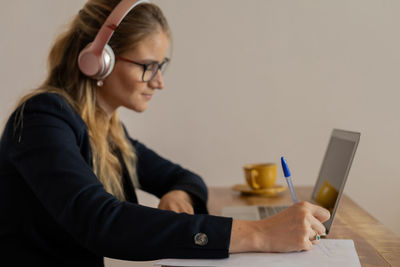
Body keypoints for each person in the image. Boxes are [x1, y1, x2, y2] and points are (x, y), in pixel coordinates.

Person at [0, 0, 330, 266]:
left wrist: (179, 195)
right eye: (148, 66)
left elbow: (185, 177)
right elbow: (100, 222)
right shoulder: (41, 120)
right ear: (98, 60)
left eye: (162, 66)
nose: (159, 82)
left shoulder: (107, 130)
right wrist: (259, 234)